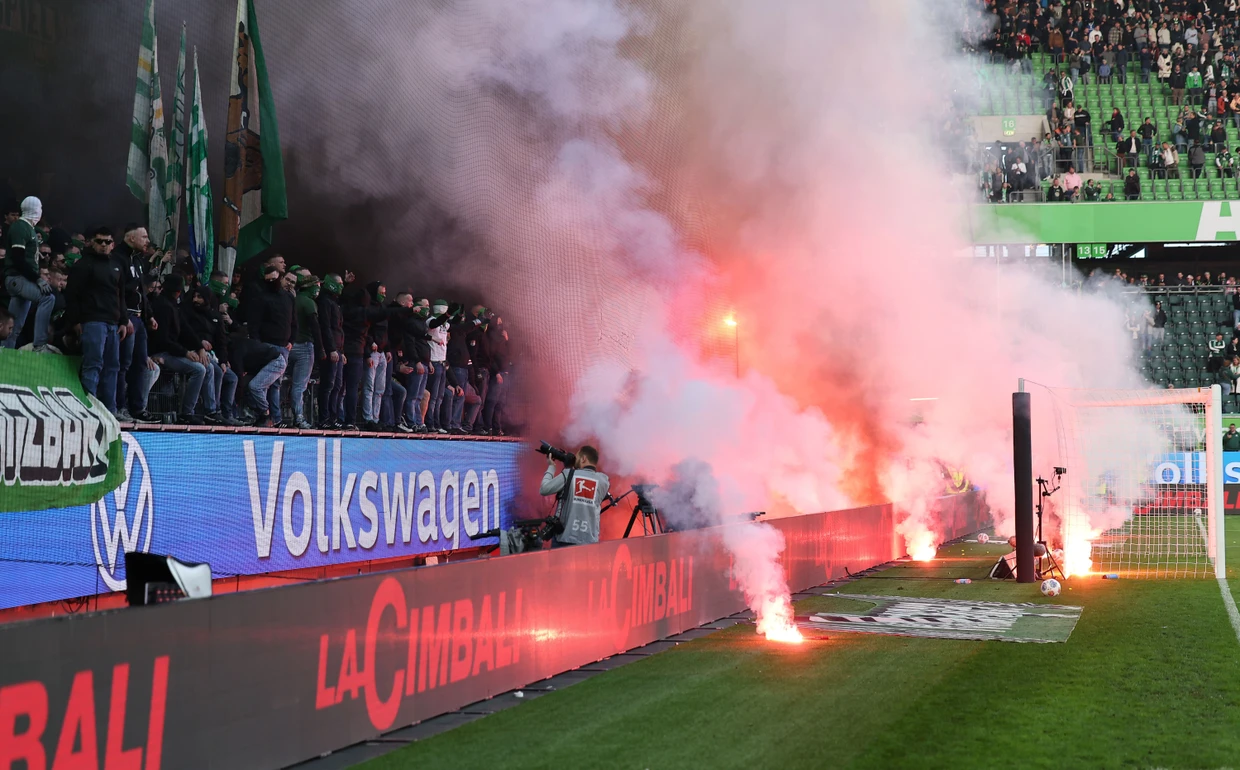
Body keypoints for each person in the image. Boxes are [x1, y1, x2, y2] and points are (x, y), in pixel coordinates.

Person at [148, 274, 208, 424]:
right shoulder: (163, 306)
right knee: (199, 370)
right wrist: (185, 352)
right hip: (161, 352)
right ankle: (187, 413)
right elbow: (163, 340)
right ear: (178, 292)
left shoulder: (173, 305)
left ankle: (211, 411)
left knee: (210, 366)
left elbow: (186, 330)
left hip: (172, 351)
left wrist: (199, 347)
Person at [246, 261, 297, 426]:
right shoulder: (262, 298)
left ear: (280, 278)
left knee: (276, 385)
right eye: (268, 280)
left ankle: (275, 418)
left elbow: (294, 321)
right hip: (267, 347)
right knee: (267, 384)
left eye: (274, 279)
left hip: (284, 346)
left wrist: (292, 340)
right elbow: (254, 324)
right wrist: (258, 345)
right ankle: (272, 417)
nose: (271, 283)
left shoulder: (289, 297)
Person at [4, 197, 56, 351]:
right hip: (17, 278)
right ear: (36, 210)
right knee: (47, 298)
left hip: (22, 279)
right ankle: (40, 344)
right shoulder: (20, 227)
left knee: (14, 328)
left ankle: (5, 355)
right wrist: (37, 279)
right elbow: (18, 259)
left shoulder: (28, 228)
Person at [538, 445, 610, 547]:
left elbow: (544, 489)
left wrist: (551, 467)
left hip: (564, 540)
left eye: (577, 457)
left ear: (583, 458)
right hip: (590, 542)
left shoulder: (568, 475)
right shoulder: (603, 481)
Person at [289, 274, 324, 429]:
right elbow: (315, 327)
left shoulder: (293, 299)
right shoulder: (309, 303)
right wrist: (321, 349)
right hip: (304, 347)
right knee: (299, 386)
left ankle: (277, 417)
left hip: (289, 346)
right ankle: (299, 418)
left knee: (281, 383)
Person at [317, 273, 345, 429]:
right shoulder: (325, 302)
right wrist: (332, 349)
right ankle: (324, 418)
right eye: (339, 283)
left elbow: (338, 329)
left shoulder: (335, 302)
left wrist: (341, 350)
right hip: (331, 350)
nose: (341, 286)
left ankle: (333, 418)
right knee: (328, 385)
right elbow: (326, 327)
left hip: (338, 350)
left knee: (337, 386)